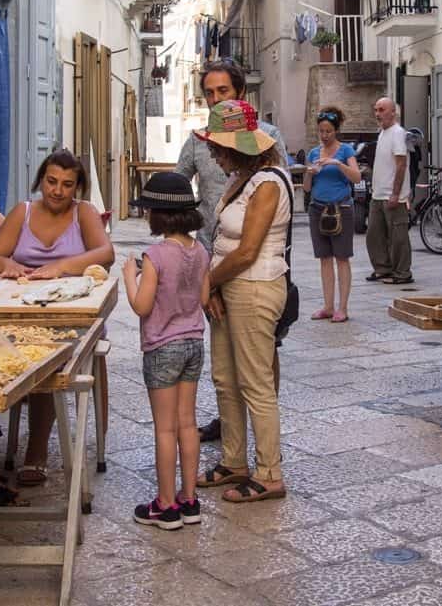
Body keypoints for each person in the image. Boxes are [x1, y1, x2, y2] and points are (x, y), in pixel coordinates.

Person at [0, 149, 115, 486]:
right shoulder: (23, 212)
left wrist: (59, 268)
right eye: (51, 181)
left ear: (77, 188)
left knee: (46, 356)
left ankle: (36, 450)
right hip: (23, 309)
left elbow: (106, 254)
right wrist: (6, 265)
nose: (57, 190)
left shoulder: (83, 213)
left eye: (67, 185)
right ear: (41, 179)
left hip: (73, 316)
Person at [175, 59, 287, 442]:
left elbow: (276, 207)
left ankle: (264, 428)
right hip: (211, 260)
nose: (215, 98)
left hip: (254, 264)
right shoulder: (198, 139)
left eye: (223, 91)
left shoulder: (267, 137)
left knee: (260, 350)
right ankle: (231, 427)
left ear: (240, 93)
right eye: (209, 92)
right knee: (223, 360)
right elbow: (179, 192)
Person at [194, 100, 289, 503]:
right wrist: (213, 287)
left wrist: (206, 282)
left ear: (239, 146)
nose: (213, 155)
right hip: (227, 288)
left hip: (254, 288)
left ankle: (269, 472)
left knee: (255, 383)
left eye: (218, 148)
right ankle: (234, 461)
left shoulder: (268, 182)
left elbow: (249, 250)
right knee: (226, 379)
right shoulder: (241, 179)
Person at [122, 172, 211, 530]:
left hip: (162, 347)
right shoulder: (200, 249)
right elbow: (203, 299)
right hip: (193, 343)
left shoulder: (155, 254)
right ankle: (190, 500)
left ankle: (165, 504)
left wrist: (132, 275)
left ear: (157, 214)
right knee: (188, 423)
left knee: (164, 430)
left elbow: (142, 306)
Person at [303, 106, 361, 322]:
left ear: (336, 130)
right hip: (317, 208)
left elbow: (356, 177)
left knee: (342, 258)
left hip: (341, 209)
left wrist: (338, 164)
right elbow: (307, 188)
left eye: (328, 131)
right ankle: (328, 306)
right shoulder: (313, 153)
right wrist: (309, 174)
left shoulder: (346, 151)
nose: (324, 135)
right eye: (321, 131)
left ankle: (342, 308)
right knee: (324, 258)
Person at [365, 97, 413, 285]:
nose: (378, 114)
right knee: (374, 235)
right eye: (376, 110)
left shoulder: (398, 133)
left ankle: (402, 273)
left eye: (382, 109)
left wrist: (396, 193)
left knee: (398, 237)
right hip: (378, 194)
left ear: (393, 112)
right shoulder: (382, 133)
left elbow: (401, 165)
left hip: (393, 196)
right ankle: (382, 269)